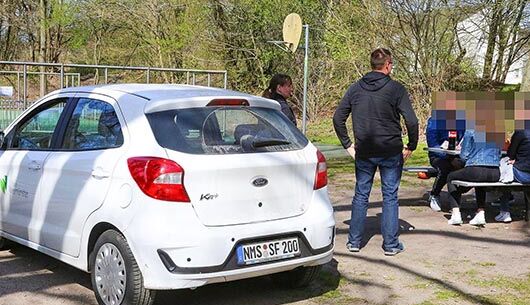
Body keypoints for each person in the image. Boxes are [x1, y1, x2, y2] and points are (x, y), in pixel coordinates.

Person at [333, 48, 418, 256]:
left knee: (361, 194)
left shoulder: (355, 89)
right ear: (387, 64)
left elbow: (338, 118)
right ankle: (390, 245)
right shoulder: (396, 89)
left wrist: (347, 144)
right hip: (390, 150)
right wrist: (411, 145)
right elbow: (412, 121)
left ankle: (354, 242)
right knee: (390, 196)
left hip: (365, 150)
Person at [446, 129, 501, 226]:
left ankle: (455, 214)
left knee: (450, 177)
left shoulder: (471, 129)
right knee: (480, 183)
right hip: (495, 172)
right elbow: (499, 153)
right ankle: (480, 213)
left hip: (476, 169)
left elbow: (464, 155)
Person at [426, 115, 465, 211]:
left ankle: (455, 199)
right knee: (445, 168)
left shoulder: (461, 121)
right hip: (437, 155)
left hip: (456, 155)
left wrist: (461, 146)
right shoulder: (434, 121)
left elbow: (465, 137)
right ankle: (434, 194)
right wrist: (445, 152)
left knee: (464, 166)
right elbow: (432, 144)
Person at [495, 129, 530, 222]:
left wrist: (515, 160)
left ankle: (504, 211)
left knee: (506, 173)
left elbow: (510, 153)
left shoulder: (520, 132)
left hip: (523, 173)